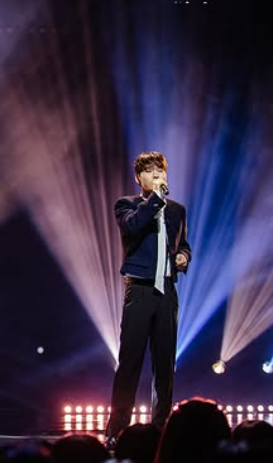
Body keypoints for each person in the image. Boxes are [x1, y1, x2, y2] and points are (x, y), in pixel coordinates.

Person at [105, 151, 191, 447]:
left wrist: (183, 257)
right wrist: (155, 199)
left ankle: (161, 430)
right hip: (140, 290)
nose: (157, 176)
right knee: (129, 362)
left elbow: (184, 244)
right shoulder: (127, 205)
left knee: (165, 366)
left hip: (166, 292)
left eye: (161, 171)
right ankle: (117, 431)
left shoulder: (177, 210)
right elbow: (133, 226)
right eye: (151, 172)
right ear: (138, 177)